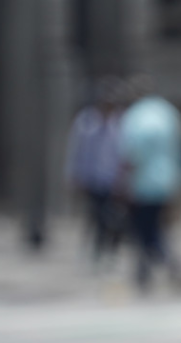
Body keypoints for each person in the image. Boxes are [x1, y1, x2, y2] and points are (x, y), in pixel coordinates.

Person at [118, 78, 181, 291]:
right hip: (167, 180)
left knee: (145, 228)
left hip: (142, 183)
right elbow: (180, 146)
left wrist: (122, 183)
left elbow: (130, 154)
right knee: (157, 226)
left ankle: (159, 268)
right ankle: (147, 269)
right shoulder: (168, 112)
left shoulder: (133, 116)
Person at [66, 76, 127, 268]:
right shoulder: (86, 121)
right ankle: (96, 251)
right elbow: (76, 150)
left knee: (113, 218)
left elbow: (125, 152)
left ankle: (110, 250)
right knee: (95, 216)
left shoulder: (120, 123)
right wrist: (73, 175)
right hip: (92, 179)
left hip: (114, 180)